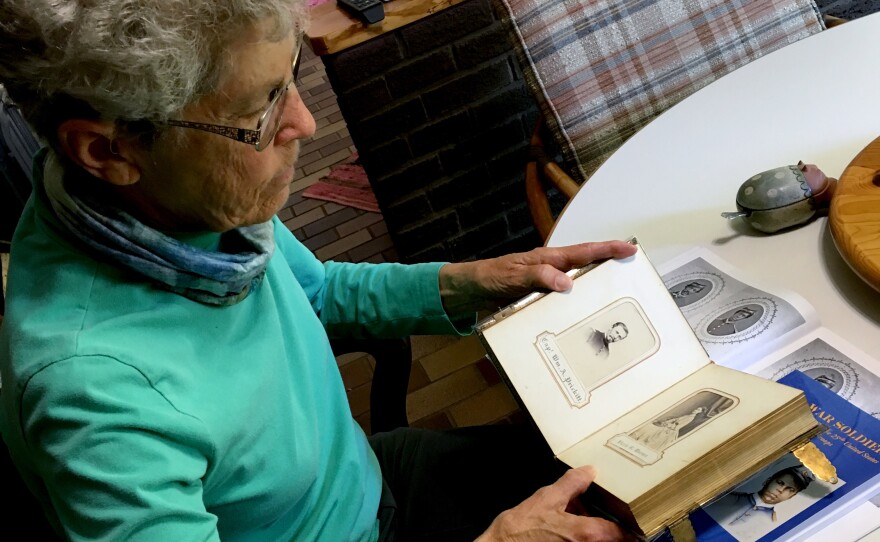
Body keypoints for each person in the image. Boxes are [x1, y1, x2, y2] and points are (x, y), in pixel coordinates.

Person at [0, 1, 639, 541]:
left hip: (364, 481)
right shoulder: (96, 401)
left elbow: (320, 291)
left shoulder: (173, 204)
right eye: (260, 110)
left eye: (291, 75)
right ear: (107, 150)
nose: (304, 122)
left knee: (626, 469)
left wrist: (480, 280)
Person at [706, 466, 813, 527]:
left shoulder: (770, 523)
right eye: (780, 483)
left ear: (792, 496)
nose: (780, 490)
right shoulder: (727, 497)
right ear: (768, 480)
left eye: (790, 490)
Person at [629, 407, 705, 450]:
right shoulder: (688, 415)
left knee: (654, 436)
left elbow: (678, 425)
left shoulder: (690, 417)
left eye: (698, 410)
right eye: (696, 408)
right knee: (652, 426)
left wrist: (668, 425)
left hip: (670, 430)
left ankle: (643, 443)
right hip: (668, 426)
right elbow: (676, 420)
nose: (695, 410)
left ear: (699, 412)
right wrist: (668, 422)